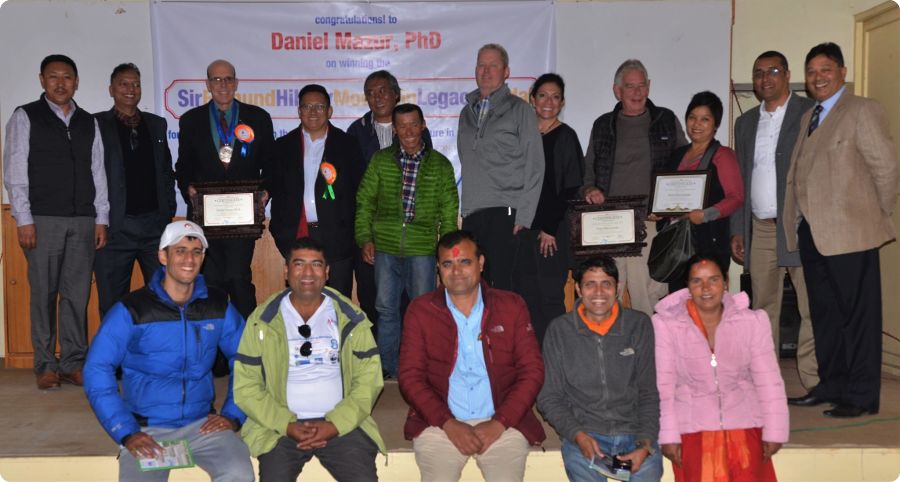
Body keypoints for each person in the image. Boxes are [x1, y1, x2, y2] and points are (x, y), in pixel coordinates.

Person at [83, 221, 253, 482]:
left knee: (239, 474)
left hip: (203, 425)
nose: (189, 259)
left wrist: (233, 415)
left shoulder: (218, 305)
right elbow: (97, 368)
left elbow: (246, 360)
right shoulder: (132, 309)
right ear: (163, 256)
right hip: (147, 429)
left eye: (197, 252)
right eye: (181, 250)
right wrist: (125, 431)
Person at [784, 42, 897, 418]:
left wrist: (877, 219)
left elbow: (887, 169)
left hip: (852, 234)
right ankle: (831, 385)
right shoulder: (808, 116)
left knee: (858, 320)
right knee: (825, 316)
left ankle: (861, 396)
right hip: (813, 235)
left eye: (826, 69)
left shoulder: (862, 110)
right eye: (812, 71)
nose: (818, 77)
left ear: (843, 72)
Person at [233, 237, 385, 481]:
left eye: (316, 264)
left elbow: (369, 381)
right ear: (286, 270)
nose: (307, 272)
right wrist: (287, 424)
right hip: (281, 427)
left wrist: (335, 424)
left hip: (341, 425)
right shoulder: (261, 320)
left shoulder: (351, 318)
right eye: (299, 264)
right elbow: (246, 387)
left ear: (326, 272)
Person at [398, 230, 545, 482]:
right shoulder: (421, 310)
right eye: (448, 263)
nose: (456, 271)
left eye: (464, 261)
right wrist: (447, 423)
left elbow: (532, 371)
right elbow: (410, 378)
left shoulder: (511, 306)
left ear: (481, 263)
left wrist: (499, 422)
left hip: (503, 422)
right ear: (438, 268)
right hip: (438, 424)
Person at [3, 54, 109, 389]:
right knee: (44, 294)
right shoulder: (25, 116)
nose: (60, 83)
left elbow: (98, 172)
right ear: (42, 80)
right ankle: (45, 364)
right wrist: (23, 218)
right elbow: (15, 171)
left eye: (67, 77)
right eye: (53, 77)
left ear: (76, 82)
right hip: (42, 219)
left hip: (82, 220)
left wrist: (101, 217)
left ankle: (73, 362)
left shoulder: (88, 122)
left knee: (77, 295)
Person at [652, 254, 788, 481]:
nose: (706, 288)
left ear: (726, 282)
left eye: (713, 280)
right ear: (688, 286)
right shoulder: (666, 325)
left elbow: (769, 380)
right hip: (693, 432)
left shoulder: (753, 321)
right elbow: (663, 386)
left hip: (745, 428)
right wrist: (668, 435)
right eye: (697, 281)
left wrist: (775, 431)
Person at [730, 51, 818, 390]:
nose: (765, 79)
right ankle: (766, 382)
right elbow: (741, 178)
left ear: (787, 74)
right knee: (763, 311)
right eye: (758, 73)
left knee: (811, 307)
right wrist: (739, 230)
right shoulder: (746, 122)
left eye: (773, 71)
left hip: (799, 227)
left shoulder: (808, 114)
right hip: (761, 229)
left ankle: (813, 380)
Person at [355, 103, 458, 379]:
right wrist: (365, 237)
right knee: (386, 310)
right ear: (395, 129)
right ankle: (389, 369)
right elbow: (364, 201)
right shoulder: (380, 160)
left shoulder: (440, 165)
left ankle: (420, 369)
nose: (409, 131)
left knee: (423, 311)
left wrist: (445, 253)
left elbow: (449, 211)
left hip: (423, 249)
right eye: (403, 126)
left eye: (414, 124)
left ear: (423, 126)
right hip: (385, 247)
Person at [538, 255, 662, 482]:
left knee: (647, 472)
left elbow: (648, 392)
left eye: (606, 283)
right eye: (589, 284)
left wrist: (645, 443)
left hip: (633, 432)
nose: (598, 292)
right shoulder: (560, 331)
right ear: (577, 288)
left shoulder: (638, 325)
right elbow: (549, 397)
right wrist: (577, 435)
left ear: (617, 288)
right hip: (586, 434)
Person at [582, 59, 686, 316]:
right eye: (630, 87)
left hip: (650, 222)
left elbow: (684, 170)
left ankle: (653, 351)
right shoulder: (602, 125)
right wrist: (589, 191)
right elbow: (588, 174)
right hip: (611, 222)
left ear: (649, 87)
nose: (637, 93)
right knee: (607, 292)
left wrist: (668, 208)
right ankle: (608, 350)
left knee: (647, 295)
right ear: (617, 91)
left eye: (642, 86)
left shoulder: (666, 120)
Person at [175, 59, 274, 319]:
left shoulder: (258, 118)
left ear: (237, 83)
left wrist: (266, 191)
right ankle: (214, 355)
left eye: (228, 79)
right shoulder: (190, 120)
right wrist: (189, 189)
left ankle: (249, 345)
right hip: (205, 217)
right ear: (207, 84)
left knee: (238, 279)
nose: (223, 84)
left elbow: (271, 164)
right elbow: (183, 166)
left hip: (243, 219)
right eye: (217, 79)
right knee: (209, 284)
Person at [347, 70, 434, 332]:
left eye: (382, 90)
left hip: (409, 232)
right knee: (373, 298)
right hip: (371, 230)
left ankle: (409, 356)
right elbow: (355, 188)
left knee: (411, 298)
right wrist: (364, 234)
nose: (377, 96)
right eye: (370, 93)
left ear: (396, 94)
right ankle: (377, 358)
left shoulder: (414, 130)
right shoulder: (356, 132)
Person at [458, 43, 544, 290]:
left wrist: (525, 215)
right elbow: (467, 159)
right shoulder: (466, 113)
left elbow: (535, 166)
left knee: (505, 291)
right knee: (476, 289)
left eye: (493, 65)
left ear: (506, 71)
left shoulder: (521, 110)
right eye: (481, 65)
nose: (486, 71)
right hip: (473, 214)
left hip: (507, 213)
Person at [94, 62, 176, 317]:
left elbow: (165, 169)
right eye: (124, 84)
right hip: (115, 230)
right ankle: (114, 357)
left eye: (136, 84)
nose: (131, 89)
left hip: (154, 227)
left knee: (163, 297)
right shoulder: (96, 124)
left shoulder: (156, 124)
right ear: (111, 89)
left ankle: (157, 355)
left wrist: (168, 211)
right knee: (113, 303)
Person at [268, 84, 364, 297]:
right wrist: (282, 233)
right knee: (300, 301)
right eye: (307, 106)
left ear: (329, 111)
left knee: (337, 303)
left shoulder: (348, 145)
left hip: (338, 239)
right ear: (299, 111)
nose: (313, 112)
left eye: (319, 106)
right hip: (296, 235)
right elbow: (272, 188)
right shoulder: (282, 147)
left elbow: (360, 193)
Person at [514, 73, 583, 345]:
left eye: (555, 97)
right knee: (525, 296)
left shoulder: (566, 137)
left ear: (562, 102)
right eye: (543, 95)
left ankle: (556, 360)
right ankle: (532, 363)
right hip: (523, 230)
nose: (548, 102)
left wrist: (549, 229)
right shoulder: (522, 135)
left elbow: (570, 187)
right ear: (532, 99)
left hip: (551, 233)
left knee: (551, 298)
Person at [658, 91, 743, 292]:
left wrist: (705, 215)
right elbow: (667, 194)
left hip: (710, 242)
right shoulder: (677, 155)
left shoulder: (723, 156)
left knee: (708, 301)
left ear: (716, 125)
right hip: (678, 247)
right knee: (680, 302)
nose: (697, 124)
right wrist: (659, 212)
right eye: (692, 118)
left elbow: (737, 197)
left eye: (705, 119)